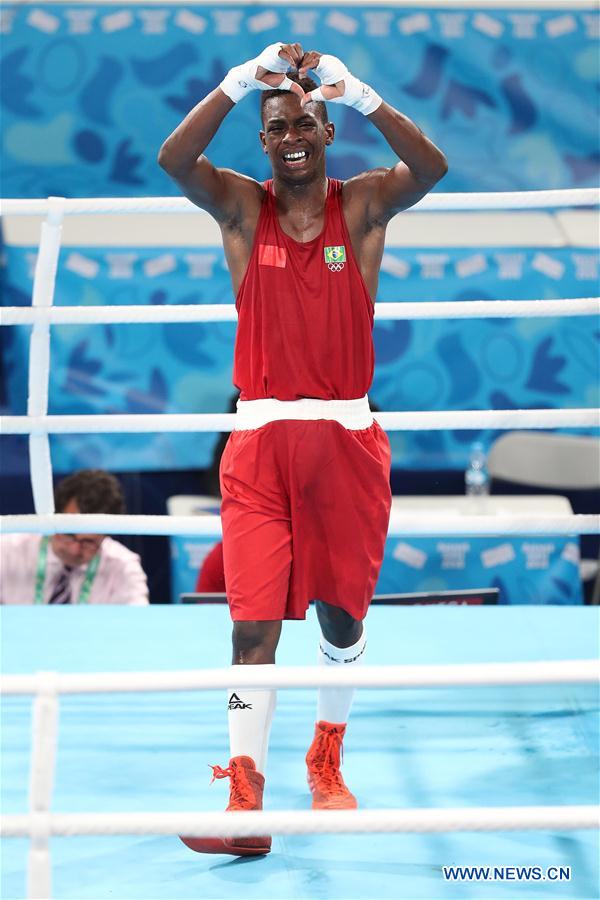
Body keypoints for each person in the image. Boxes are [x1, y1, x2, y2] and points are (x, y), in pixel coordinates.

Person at [159, 42, 447, 856]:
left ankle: (328, 757)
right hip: (257, 445)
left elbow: (432, 166)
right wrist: (236, 81)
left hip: (346, 442)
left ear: (327, 130)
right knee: (250, 627)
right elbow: (174, 156)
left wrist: (362, 93)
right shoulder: (241, 211)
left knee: (342, 613)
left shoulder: (361, 208)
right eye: (278, 124)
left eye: (307, 122)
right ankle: (246, 804)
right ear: (264, 139)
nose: (292, 135)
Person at [0, 469, 149, 606]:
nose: (75, 549)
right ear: (54, 517)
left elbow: (138, 626)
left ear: (106, 536)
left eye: (88, 542)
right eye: (68, 535)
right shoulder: (6, 550)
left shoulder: (124, 566)